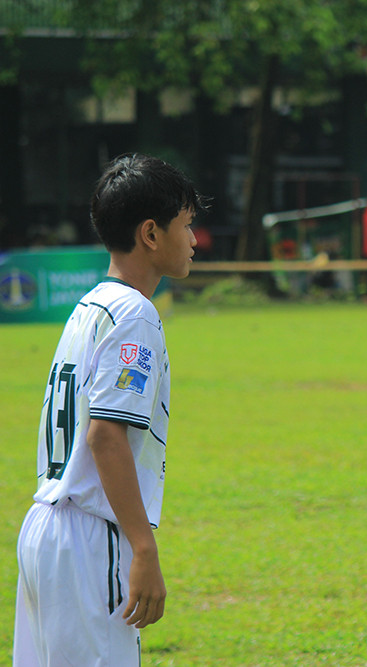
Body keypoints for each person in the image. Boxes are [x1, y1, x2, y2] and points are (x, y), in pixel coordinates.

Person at [13, 154, 206, 666]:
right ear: (151, 233)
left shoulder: (90, 305)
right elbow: (105, 436)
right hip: (88, 538)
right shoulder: (135, 315)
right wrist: (143, 547)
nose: (194, 239)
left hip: (46, 526)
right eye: (186, 225)